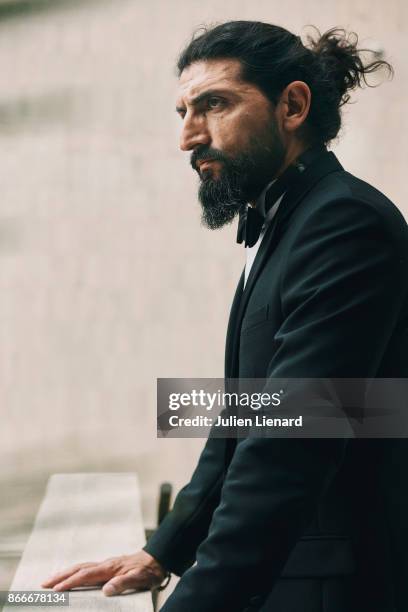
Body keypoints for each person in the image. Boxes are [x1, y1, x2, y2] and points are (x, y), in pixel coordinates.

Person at [42, 21, 408, 612]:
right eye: (184, 111)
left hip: (330, 586)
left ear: (292, 105)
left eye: (214, 105)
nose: (189, 137)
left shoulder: (343, 225)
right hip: (288, 570)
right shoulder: (288, 221)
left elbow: (286, 447)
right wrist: (165, 551)